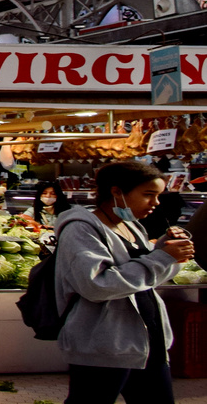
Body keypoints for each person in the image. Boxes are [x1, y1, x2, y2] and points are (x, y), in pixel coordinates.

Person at [55, 160, 192, 404]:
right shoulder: (81, 229)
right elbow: (97, 285)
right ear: (116, 191)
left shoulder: (131, 225)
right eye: (148, 195)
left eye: (158, 195)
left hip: (148, 342)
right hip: (105, 344)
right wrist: (161, 258)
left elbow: (145, 279)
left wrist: (169, 253)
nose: (156, 203)